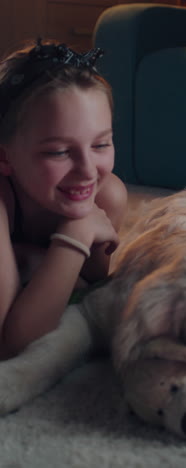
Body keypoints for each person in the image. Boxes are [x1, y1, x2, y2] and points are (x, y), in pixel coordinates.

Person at [0, 39, 127, 359]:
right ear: (5, 157)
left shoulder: (107, 194)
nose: (87, 171)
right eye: (58, 151)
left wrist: (33, 260)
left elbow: (88, 286)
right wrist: (75, 236)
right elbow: (8, 344)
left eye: (101, 145)